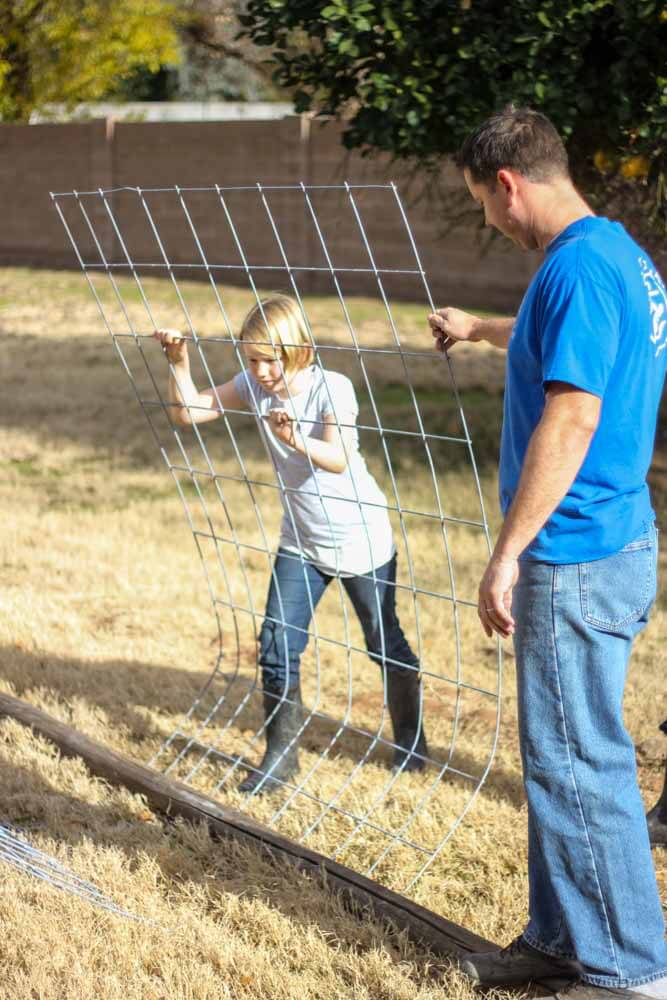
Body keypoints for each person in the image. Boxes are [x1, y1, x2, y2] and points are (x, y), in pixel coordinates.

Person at [428, 106, 667, 1000]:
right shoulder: (617, 258)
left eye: (484, 207)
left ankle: (628, 974)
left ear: (507, 184)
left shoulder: (574, 272)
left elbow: (572, 415)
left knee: (579, 760)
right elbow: (558, 337)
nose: (493, 224)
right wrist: (480, 328)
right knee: (559, 754)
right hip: (617, 534)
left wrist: (507, 553)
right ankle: (559, 938)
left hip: (573, 553)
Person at [154, 294, 428, 795]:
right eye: (251, 359)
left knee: (382, 643)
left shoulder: (332, 388)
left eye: (268, 358)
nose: (259, 371)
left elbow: (340, 457)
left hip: (361, 539)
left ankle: (412, 744)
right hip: (300, 541)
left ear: (297, 347)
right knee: (277, 646)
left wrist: (297, 437)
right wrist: (179, 363)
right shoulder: (254, 386)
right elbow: (188, 413)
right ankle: (281, 758)